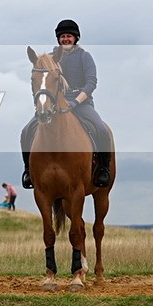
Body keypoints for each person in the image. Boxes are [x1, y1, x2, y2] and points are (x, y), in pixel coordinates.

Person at [20, 19, 112, 189]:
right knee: (26, 131)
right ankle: (28, 170)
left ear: (75, 38)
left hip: (82, 103)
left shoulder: (84, 57)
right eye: (62, 36)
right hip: (54, 105)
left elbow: (91, 82)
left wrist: (75, 102)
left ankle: (103, 169)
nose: (66, 39)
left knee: (101, 129)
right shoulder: (50, 59)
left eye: (69, 36)